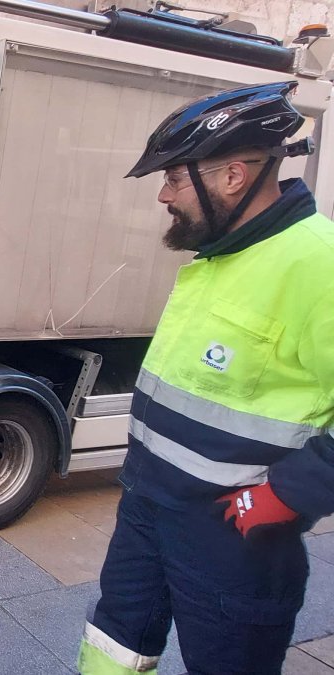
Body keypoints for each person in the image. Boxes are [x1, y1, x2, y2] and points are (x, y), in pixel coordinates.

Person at [78, 81, 334, 674]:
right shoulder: (221, 255)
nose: (163, 195)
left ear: (232, 177)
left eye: (174, 178)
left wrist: (282, 498)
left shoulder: (317, 265)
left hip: (234, 533)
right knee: (115, 643)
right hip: (147, 507)